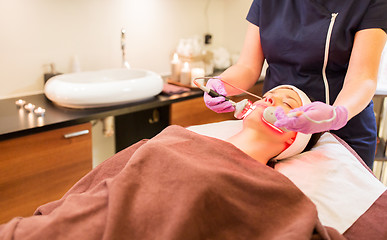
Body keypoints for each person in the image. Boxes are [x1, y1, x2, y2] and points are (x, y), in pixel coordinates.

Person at [1, 86, 346, 239]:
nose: (269, 97)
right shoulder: (176, 136)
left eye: (286, 101)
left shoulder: (271, 189)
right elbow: (98, 184)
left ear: (293, 137)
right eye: (270, 93)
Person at [204, 0, 387, 169]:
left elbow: (362, 76)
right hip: (276, 127)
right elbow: (247, 66)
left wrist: (336, 114)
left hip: (344, 127)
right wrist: (221, 85)